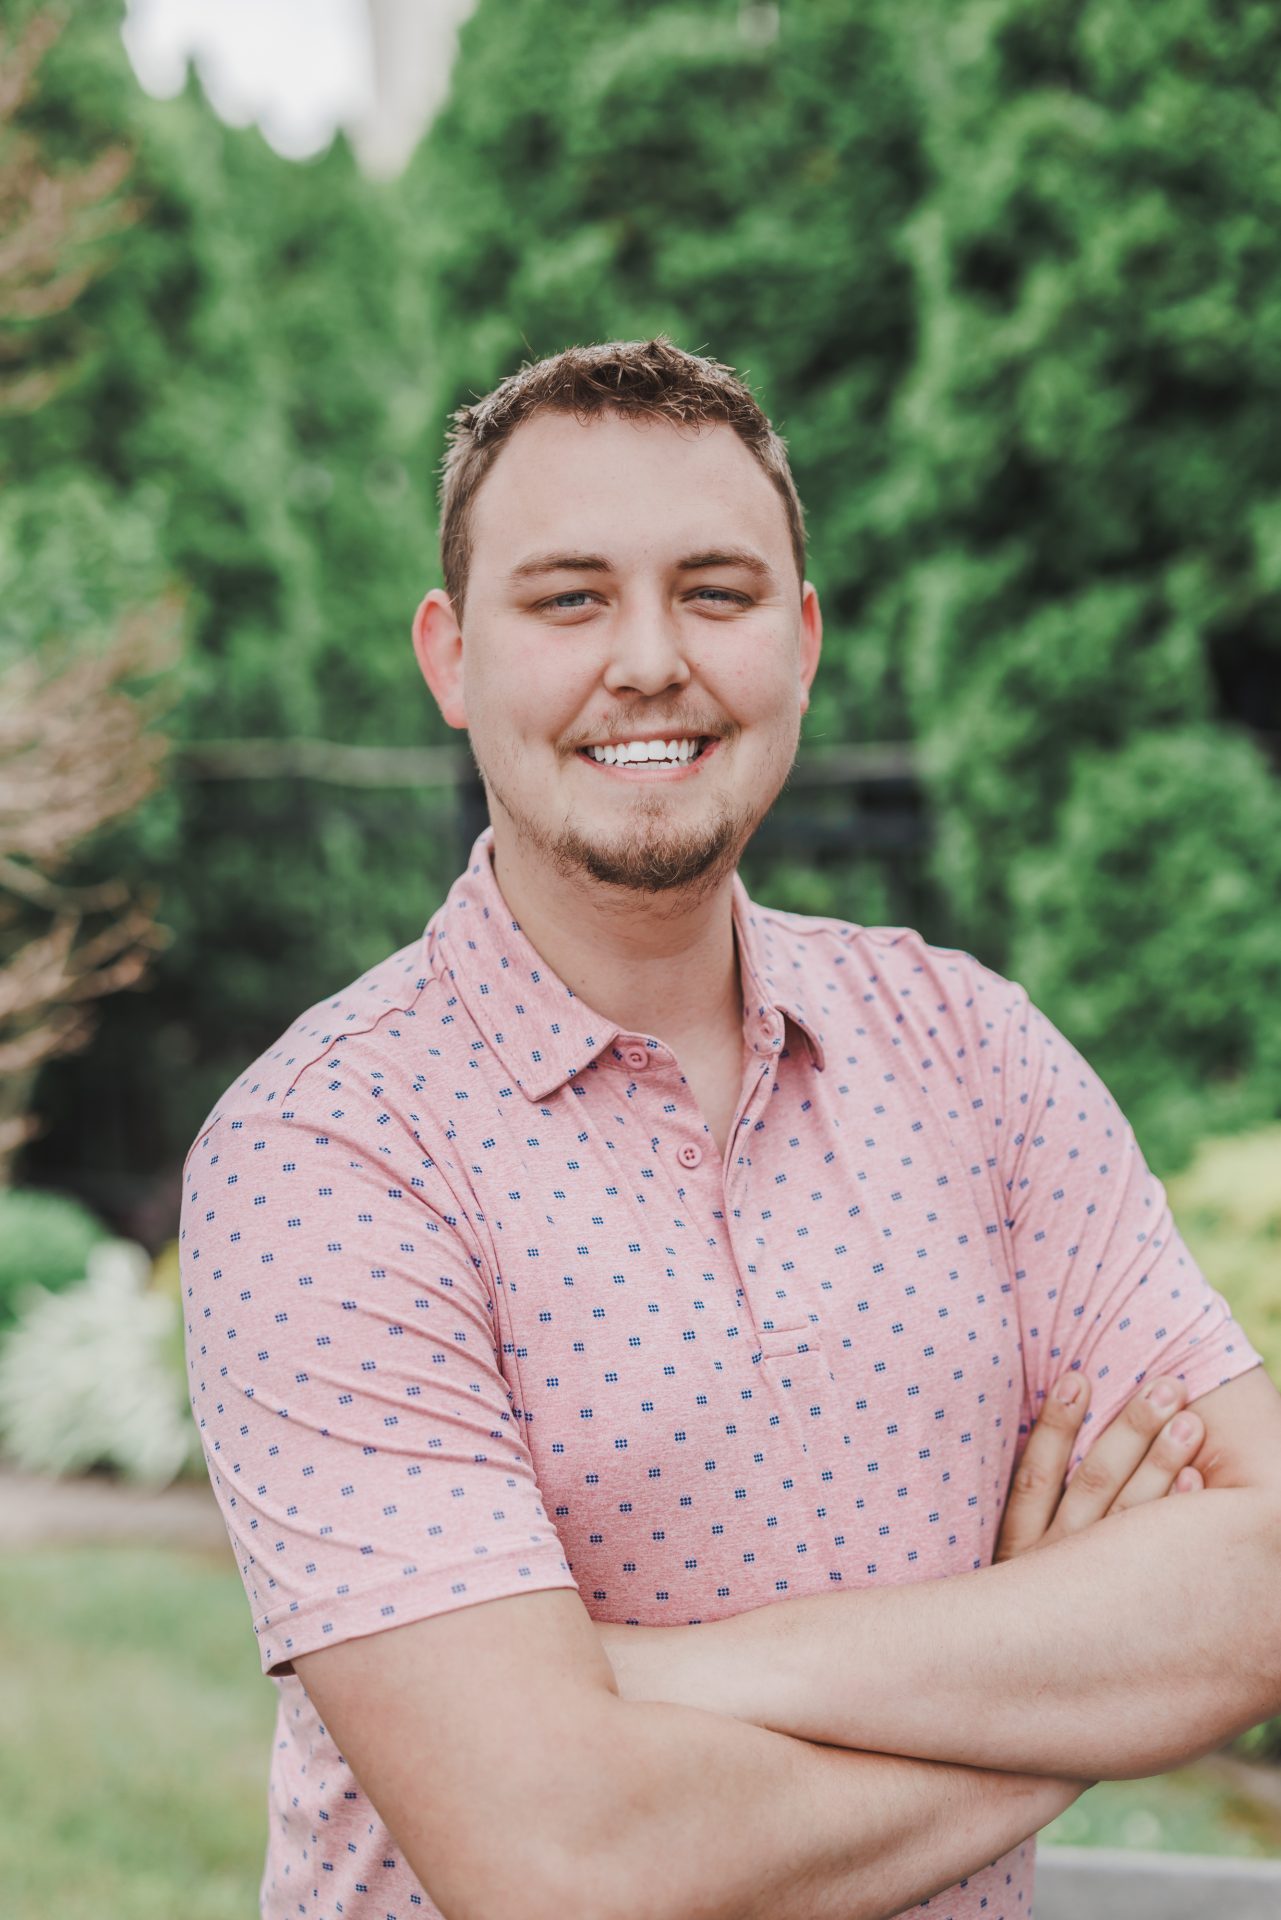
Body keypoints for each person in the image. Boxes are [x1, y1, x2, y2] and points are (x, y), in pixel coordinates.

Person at [179, 337, 1281, 1920]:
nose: (648, 660)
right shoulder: (328, 1152)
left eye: (714, 592)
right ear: (451, 657)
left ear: (802, 641)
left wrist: (666, 1675)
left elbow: (1259, 1571)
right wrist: (1070, 1701)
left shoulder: (974, 1055)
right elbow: (563, 1862)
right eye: (568, 599)